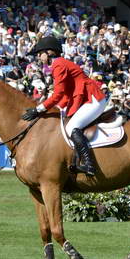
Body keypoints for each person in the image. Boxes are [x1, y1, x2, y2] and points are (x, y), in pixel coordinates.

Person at [21, 37, 106, 175]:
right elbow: (65, 94)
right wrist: (57, 108)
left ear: (49, 52)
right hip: (85, 98)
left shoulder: (58, 65)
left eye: (39, 53)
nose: (38, 57)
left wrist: (38, 109)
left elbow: (58, 94)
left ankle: (89, 165)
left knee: (72, 127)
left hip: (93, 99)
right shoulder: (60, 63)